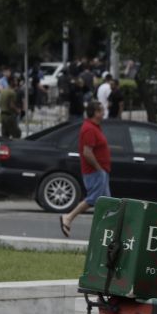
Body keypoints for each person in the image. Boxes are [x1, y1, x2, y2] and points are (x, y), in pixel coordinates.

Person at [59, 101, 110, 237]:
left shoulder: (95, 127)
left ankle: (106, 231)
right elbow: (87, 152)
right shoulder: (89, 129)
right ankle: (68, 217)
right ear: (95, 113)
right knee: (94, 199)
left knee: (107, 202)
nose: (103, 113)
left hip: (100, 171)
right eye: (101, 111)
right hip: (95, 171)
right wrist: (99, 169)